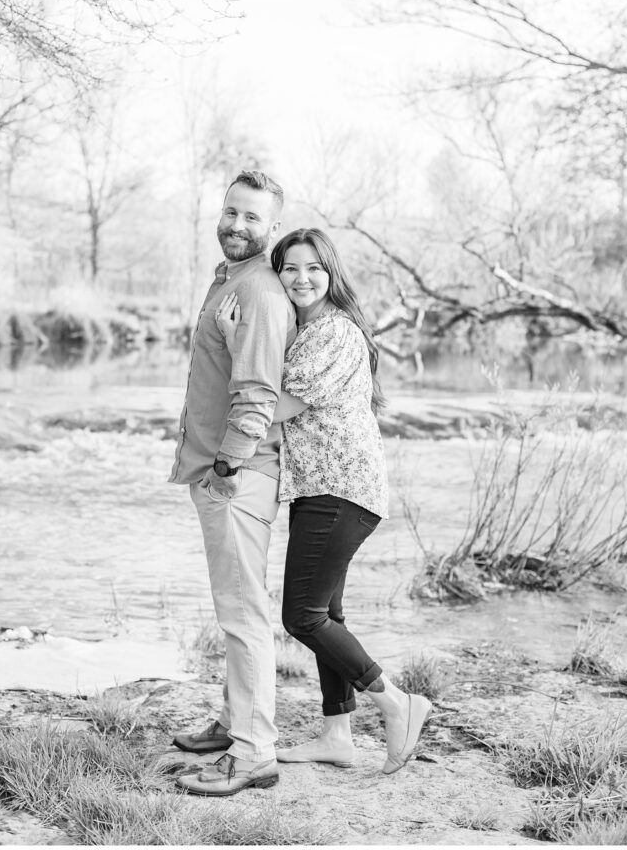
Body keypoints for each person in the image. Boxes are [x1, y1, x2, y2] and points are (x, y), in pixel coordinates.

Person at [216, 228, 432, 775]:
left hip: (341, 491)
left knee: (303, 616)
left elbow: (276, 405)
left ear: (332, 273)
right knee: (328, 612)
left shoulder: (333, 333)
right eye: (290, 269)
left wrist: (234, 340)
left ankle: (396, 702)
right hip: (323, 489)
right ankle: (338, 734)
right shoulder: (309, 329)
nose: (302, 279)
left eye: (314, 268)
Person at [169, 171, 297, 797]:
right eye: (230, 212)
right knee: (234, 607)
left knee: (244, 613)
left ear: (272, 226)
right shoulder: (230, 281)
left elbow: (257, 396)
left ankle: (254, 754)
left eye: (252, 217)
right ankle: (232, 723)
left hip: (239, 476)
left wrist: (225, 471)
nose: (236, 225)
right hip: (222, 472)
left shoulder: (262, 293)